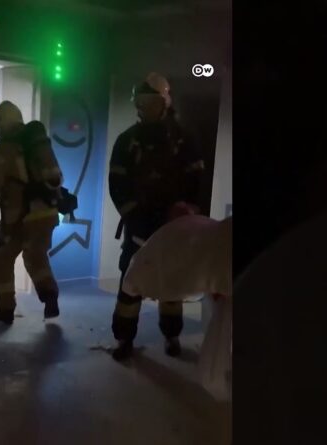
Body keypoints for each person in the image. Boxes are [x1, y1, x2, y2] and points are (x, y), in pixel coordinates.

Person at [108, 72, 206, 361]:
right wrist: (133, 216)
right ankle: (124, 339)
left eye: (151, 102)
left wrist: (187, 211)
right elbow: (117, 185)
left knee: (172, 282)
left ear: (165, 102)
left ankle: (172, 335)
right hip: (139, 224)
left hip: (174, 224)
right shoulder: (126, 141)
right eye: (140, 102)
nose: (145, 107)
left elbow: (196, 180)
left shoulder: (184, 140)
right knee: (130, 281)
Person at [0, 101, 63, 324]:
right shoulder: (39, 144)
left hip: (18, 217)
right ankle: (50, 296)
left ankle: (4, 309)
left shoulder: (4, 149)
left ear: (1, 125)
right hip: (47, 214)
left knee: (0, 260)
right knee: (36, 257)